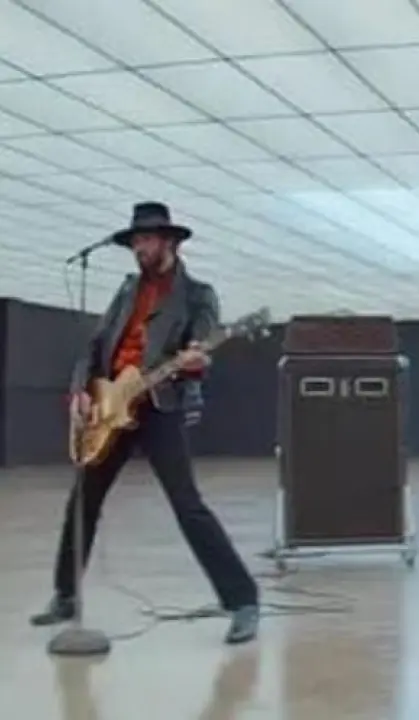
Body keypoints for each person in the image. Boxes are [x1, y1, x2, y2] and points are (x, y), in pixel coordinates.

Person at [29, 202, 261, 644]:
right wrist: (81, 391)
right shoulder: (127, 290)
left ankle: (243, 601)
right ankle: (66, 595)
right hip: (108, 406)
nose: (139, 248)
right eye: (135, 241)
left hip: (158, 406)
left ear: (169, 242)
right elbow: (95, 346)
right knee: (82, 501)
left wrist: (196, 360)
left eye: (147, 240)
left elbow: (201, 349)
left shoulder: (197, 295)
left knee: (188, 506)